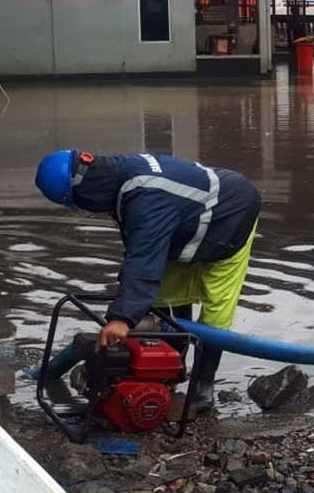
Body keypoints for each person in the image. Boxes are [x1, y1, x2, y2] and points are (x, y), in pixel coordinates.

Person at [34, 149, 261, 404]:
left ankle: (203, 388)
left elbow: (143, 258)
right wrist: (128, 308)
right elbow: (138, 256)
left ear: (82, 193)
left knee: (216, 311)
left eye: (78, 205)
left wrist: (121, 319)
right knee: (165, 298)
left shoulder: (145, 198)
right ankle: (172, 371)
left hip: (234, 214)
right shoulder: (119, 174)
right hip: (186, 220)